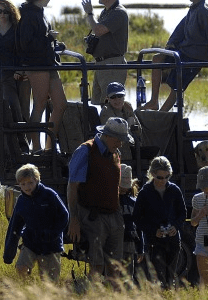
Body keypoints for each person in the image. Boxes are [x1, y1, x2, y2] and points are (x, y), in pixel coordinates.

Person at [67, 117, 134, 284]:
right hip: (93, 216)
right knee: (96, 266)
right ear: (107, 135)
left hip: (114, 215)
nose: (120, 144)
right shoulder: (85, 151)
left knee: (115, 266)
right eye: (118, 139)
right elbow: (72, 187)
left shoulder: (115, 153)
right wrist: (74, 219)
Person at [142, 0, 208, 112]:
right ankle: (154, 101)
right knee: (157, 58)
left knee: (176, 86)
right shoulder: (193, 9)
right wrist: (171, 46)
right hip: (183, 52)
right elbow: (179, 30)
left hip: (195, 56)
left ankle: (161, 114)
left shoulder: (204, 11)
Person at [17, 0, 67, 152]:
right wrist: (48, 39)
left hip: (48, 64)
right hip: (37, 65)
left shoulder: (39, 12)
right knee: (39, 104)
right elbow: (26, 43)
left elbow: (41, 39)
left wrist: (54, 44)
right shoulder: (29, 14)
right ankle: (36, 148)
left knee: (60, 103)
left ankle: (49, 145)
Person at [3, 163, 69, 282]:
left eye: (30, 183)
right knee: (21, 267)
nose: (27, 187)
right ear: (19, 185)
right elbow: (14, 227)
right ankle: (28, 289)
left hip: (51, 244)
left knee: (49, 282)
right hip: (30, 243)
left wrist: (53, 234)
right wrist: (8, 254)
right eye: (23, 184)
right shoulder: (21, 201)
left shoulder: (49, 195)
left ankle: (46, 298)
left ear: (37, 180)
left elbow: (64, 216)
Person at [132, 156, 187, 289]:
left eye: (167, 177)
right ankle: (161, 299)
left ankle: (169, 298)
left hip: (173, 240)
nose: (164, 180)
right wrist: (152, 230)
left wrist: (176, 226)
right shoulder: (145, 192)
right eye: (160, 177)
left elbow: (183, 213)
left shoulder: (174, 190)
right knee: (158, 276)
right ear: (152, 174)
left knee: (171, 275)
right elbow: (137, 218)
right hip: (154, 241)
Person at [0, 0, 31, 143]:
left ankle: (27, 142)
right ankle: (20, 142)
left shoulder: (17, 27)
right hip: (3, 72)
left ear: (11, 12)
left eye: (5, 11)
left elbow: (24, 50)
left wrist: (20, 69)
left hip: (19, 72)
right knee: (13, 104)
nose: (2, 15)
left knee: (23, 108)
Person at [81, 0, 129, 106]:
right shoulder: (106, 12)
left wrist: (90, 13)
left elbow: (99, 30)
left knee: (111, 104)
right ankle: (102, 126)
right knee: (100, 103)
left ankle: (116, 126)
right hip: (103, 64)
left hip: (112, 64)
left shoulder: (119, 12)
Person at [99, 81, 141, 161]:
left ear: (124, 96)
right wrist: (129, 123)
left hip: (132, 146)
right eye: (113, 97)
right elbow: (117, 137)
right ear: (108, 98)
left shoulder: (127, 107)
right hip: (117, 152)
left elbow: (139, 131)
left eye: (120, 96)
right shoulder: (106, 111)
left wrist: (131, 113)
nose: (117, 99)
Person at [119, 163, 145, 286]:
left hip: (130, 243)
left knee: (127, 276)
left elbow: (139, 226)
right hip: (114, 242)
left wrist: (140, 248)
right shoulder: (111, 200)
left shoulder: (133, 202)